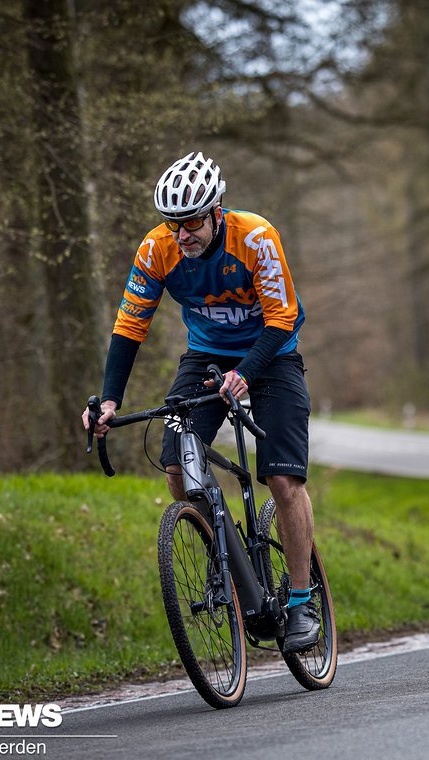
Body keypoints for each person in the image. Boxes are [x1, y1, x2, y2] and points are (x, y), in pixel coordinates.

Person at [81, 151, 319, 654]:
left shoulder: (255, 237)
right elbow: (129, 327)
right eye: (174, 224)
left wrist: (244, 375)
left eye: (191, 223)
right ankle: (230, 563)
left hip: (271, 355)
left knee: (281, 477)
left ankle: (301, 600)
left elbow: (282, 318)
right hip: (205, 357)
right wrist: (108, 400)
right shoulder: (156, 249)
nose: (182, 234)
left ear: (216, 214)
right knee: (176, 469)